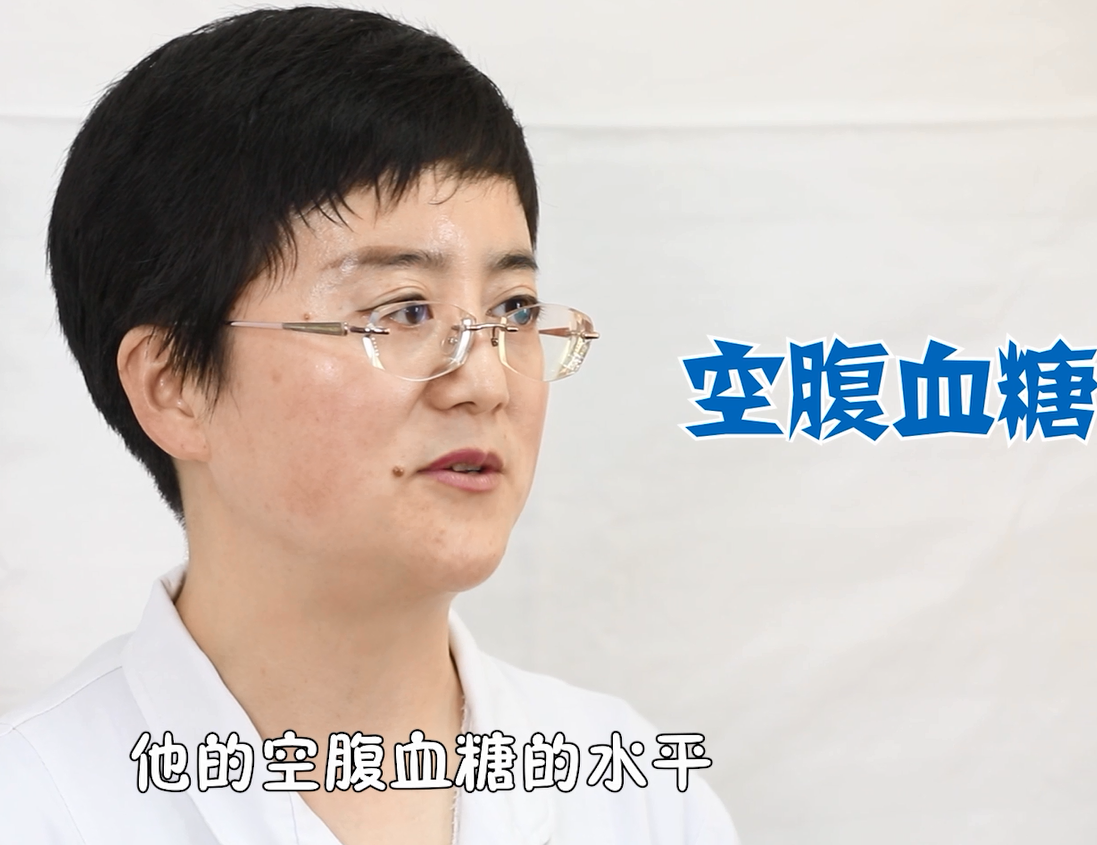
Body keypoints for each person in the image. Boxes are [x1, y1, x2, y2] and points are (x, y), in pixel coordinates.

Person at [0, 7, 738, 843]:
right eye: (404, 310)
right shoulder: (36, 806)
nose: (485, 381)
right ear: (174, 386)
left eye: (513, 309)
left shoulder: (633, 794)